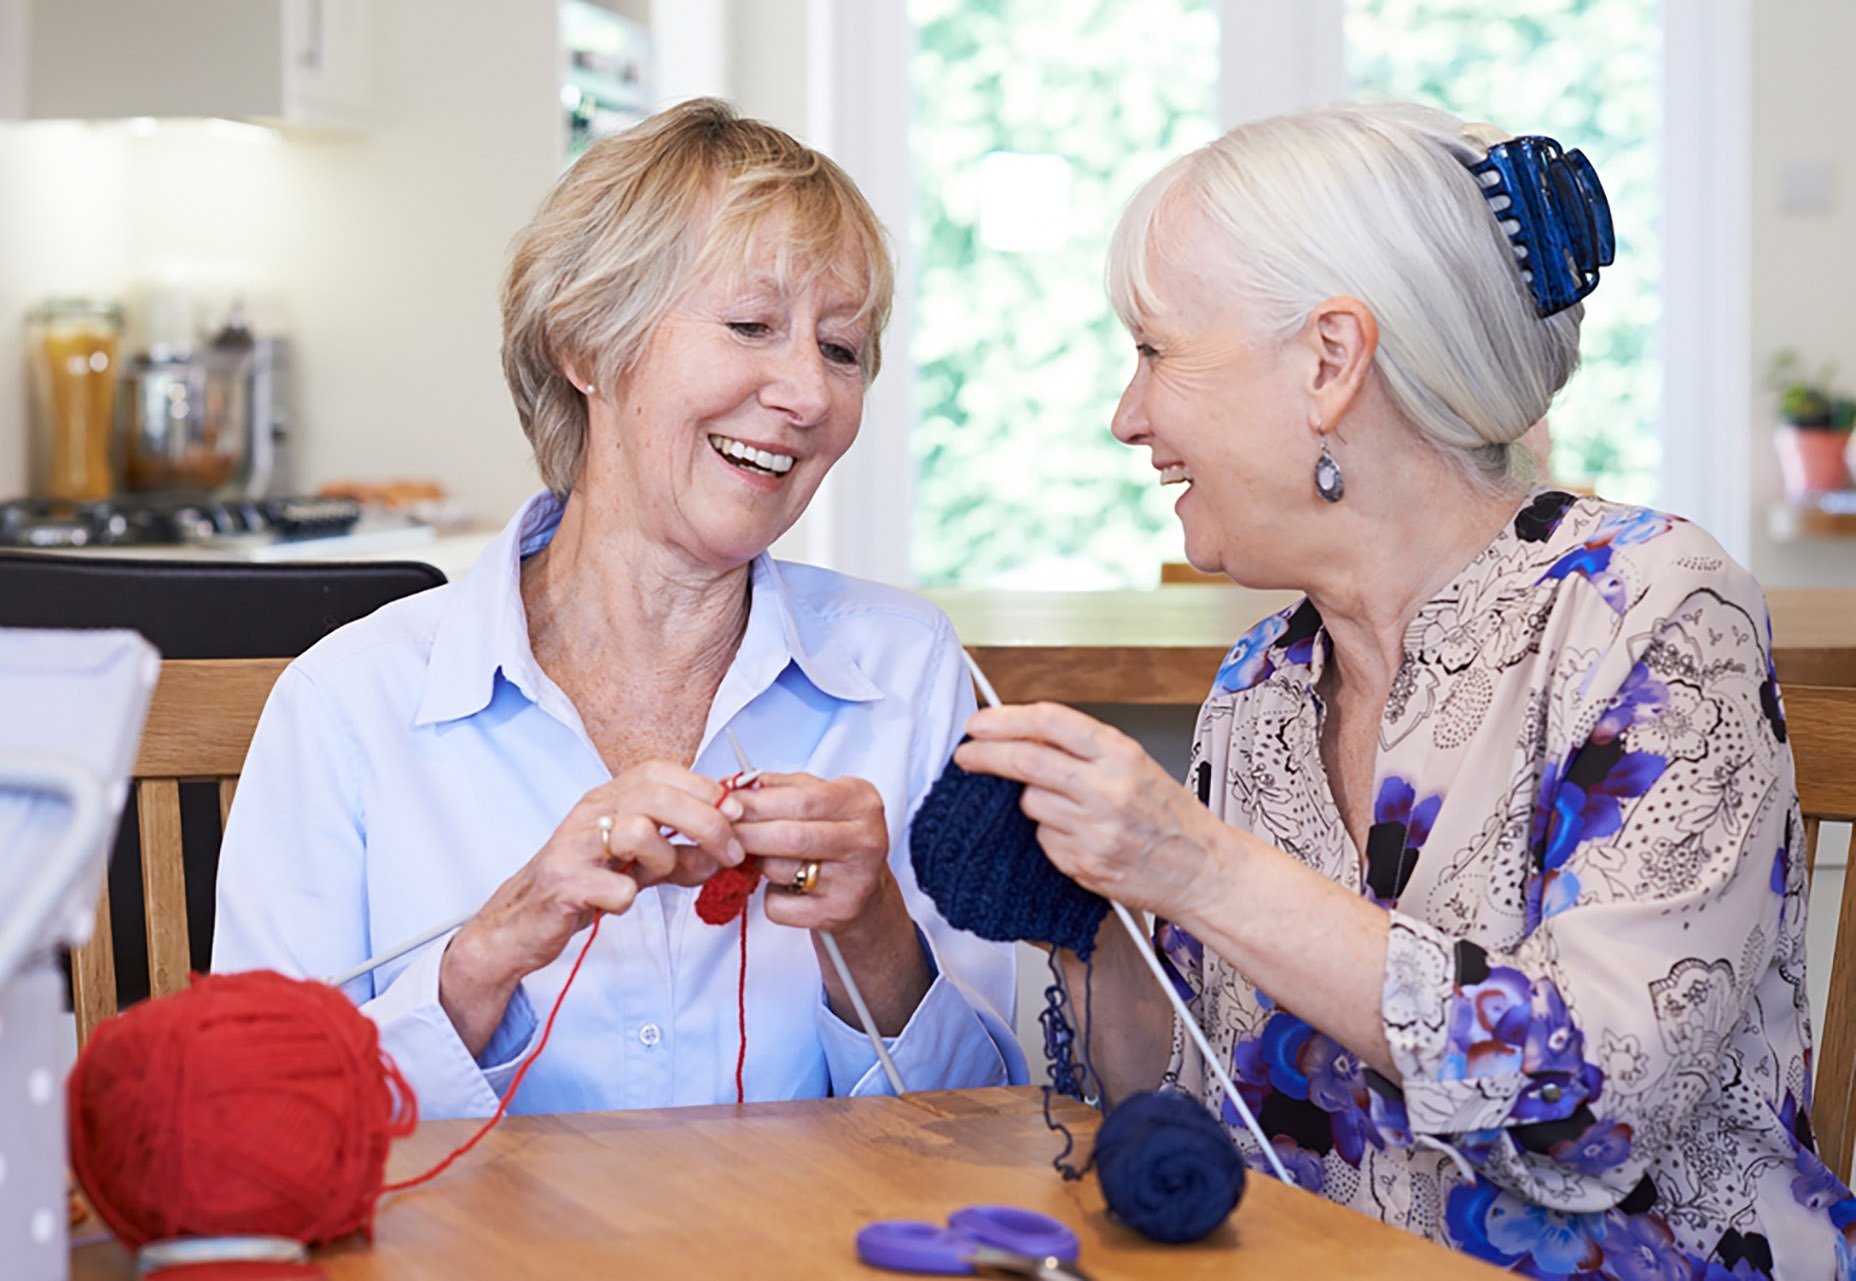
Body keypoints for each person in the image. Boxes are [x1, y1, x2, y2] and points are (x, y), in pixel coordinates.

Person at [956, 102, 1851, 1275]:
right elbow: (1181, 1109)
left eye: (1155, 351)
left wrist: (1192, 863)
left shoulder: (1651, 606)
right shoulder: (1266, 680)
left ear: (1331, 362)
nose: (1131, 419)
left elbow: (1588, 1122)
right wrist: (1084, 910)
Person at [214, 99, 1025, 1118]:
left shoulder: (906, 674)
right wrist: (487, 957)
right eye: (751, 326)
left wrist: (873, 936)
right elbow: (252, 1118)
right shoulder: (351, 703)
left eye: (843, 350)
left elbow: (985, 1133)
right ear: (586, 346)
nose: (811, 395)